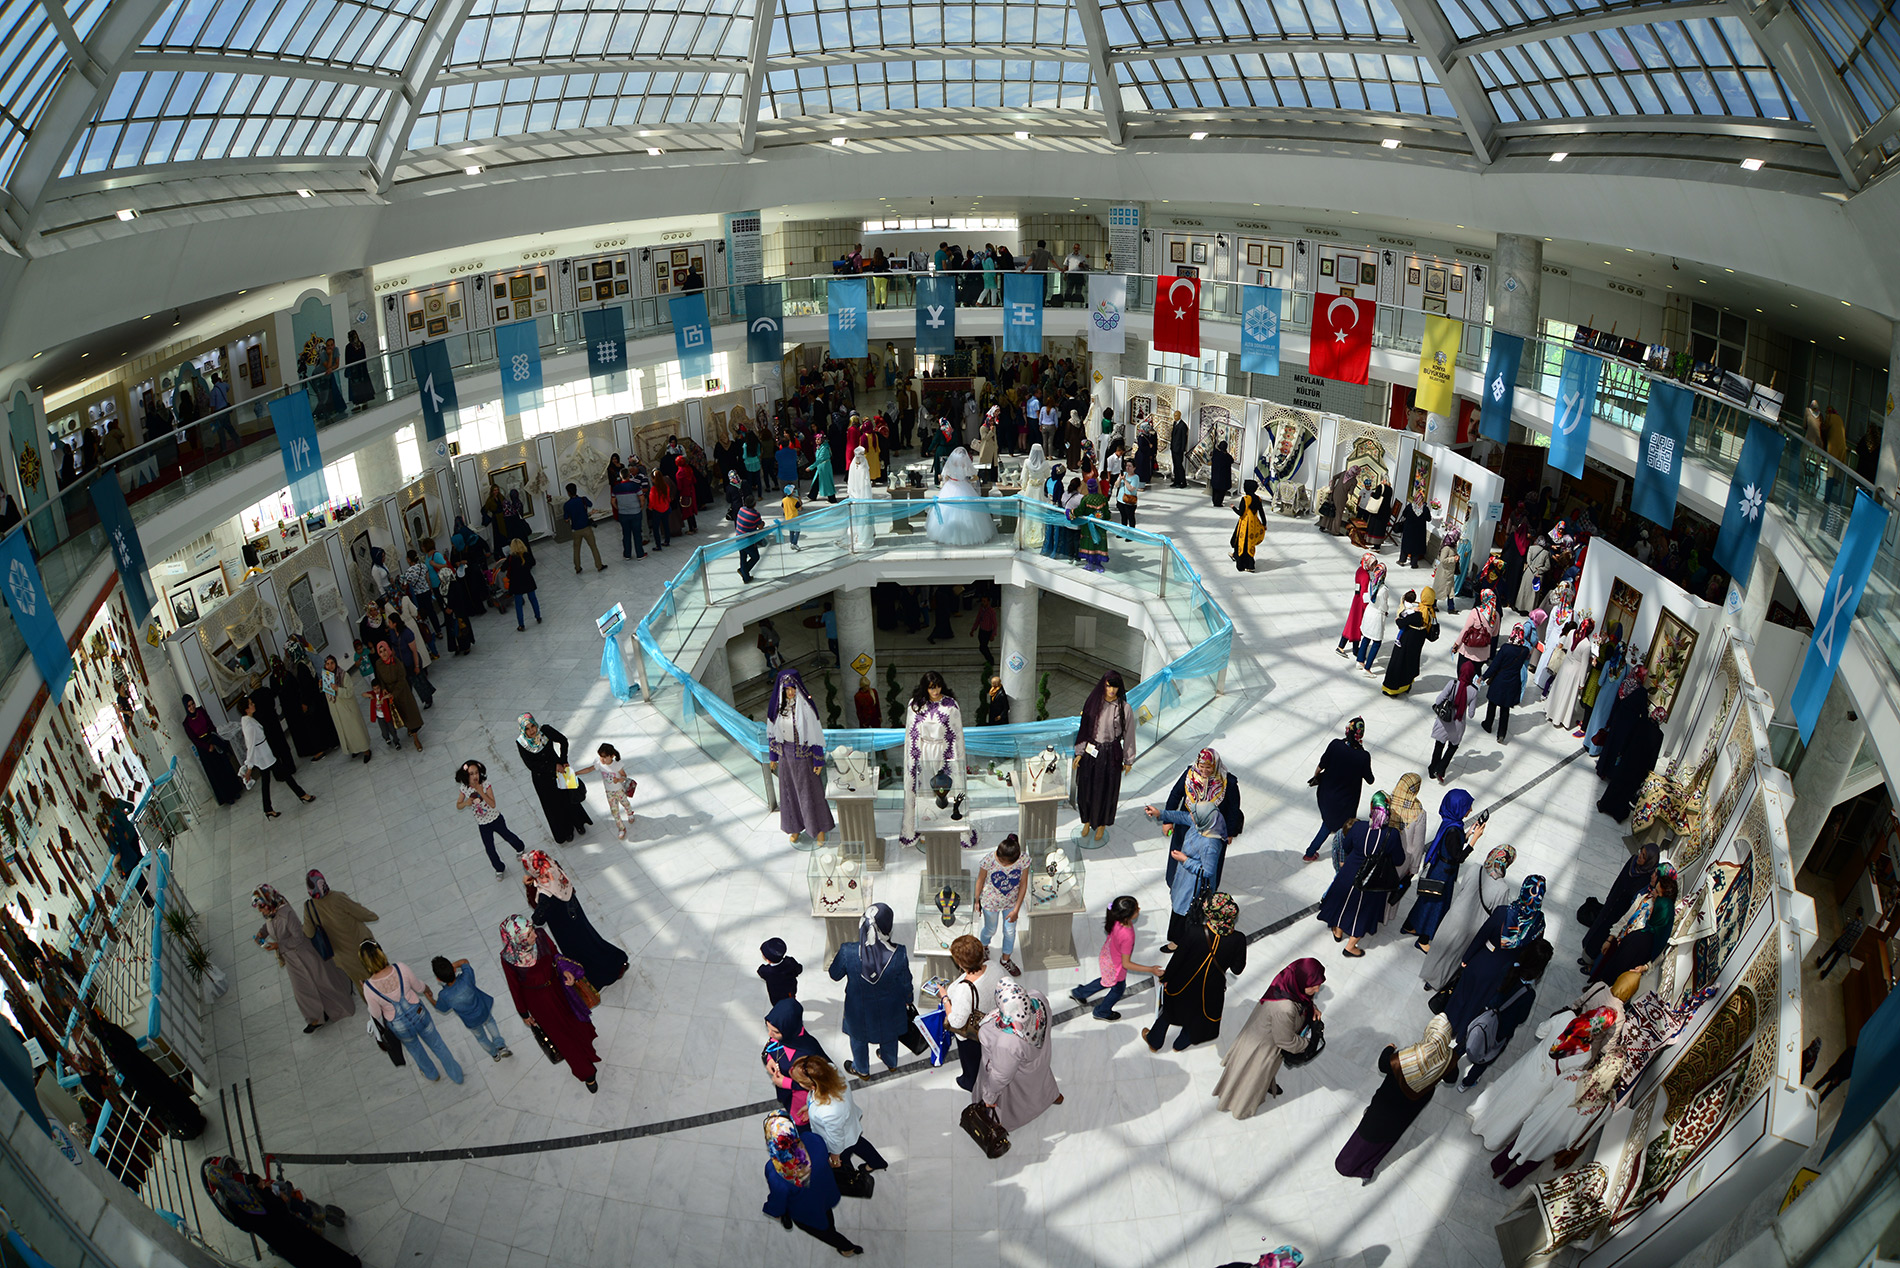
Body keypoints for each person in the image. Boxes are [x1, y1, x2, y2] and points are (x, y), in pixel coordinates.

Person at [1334, 1016, 1453, 1180]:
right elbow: (1452, 1079)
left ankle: (1347, 1164)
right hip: (1412, 1105)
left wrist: (1388, 1049)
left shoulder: (1405, 1057)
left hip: (1388, 1102)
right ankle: (1369, 1165)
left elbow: (1383, 1065)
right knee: (1390, 1134)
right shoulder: (1448, 1058)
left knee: (1370, 1131)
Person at [1443, 877, 1548, 1047]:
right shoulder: (1539, 924)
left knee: (1462, 995)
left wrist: (1466, 958)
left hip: (1483, 961)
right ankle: (1462, 1035)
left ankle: (1448, 1028)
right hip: (1506, 974)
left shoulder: (1503, 913)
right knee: (1478, 1004)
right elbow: (1532, 952)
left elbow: (1481, 936)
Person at [201, 1157, 361, 1268]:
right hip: (288, 1226)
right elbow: (278, 1206)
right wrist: (271, 1193)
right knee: (319, 1249)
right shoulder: (251, 1188)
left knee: (305, 1260)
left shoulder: (230, 1204)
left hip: (276, 1238)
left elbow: (244, 1226)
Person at [1214, 958, 1323, 1119]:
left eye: (1319, 983)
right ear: (1300, 981)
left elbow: (1302, 1001)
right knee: (1252, 1077)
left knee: (1257, 1074)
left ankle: (1265, 1085)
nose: (1317, 989)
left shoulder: (1287, 982)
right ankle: (1241, 1107)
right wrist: (1310, 1043)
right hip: (1262, 1048)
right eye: (1313, 985)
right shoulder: (1285, 1008)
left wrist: (1312, 1008)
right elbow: (1286, 1041)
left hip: (1260, 1034)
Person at [500, 915, 600, 1091]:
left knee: (575, 1020)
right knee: (562, 1036)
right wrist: (524, 1013)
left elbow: (555, 955)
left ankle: (587, 1048)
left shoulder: (541, 934)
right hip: (539, 1002)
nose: (534, 936)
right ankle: (586, 1073)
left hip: (558, 988)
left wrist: (566, 971)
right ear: (518, 939)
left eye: (532, 930)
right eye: (529, 934)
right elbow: (514, 987)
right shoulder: (509, 958)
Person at [82, 1005, 206, 1139]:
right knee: (169, 1092)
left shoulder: (106, 1042)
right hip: (145, 1067)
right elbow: (131, 1042)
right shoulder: (111, 1031)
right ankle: (193, 1119)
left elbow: (122, 1063)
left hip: (139, 1079)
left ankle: (188, 1124)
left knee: (164, 1101)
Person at [1146, 892, 1245, 1052]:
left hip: (1184, 983)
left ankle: (1154, 1041)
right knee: (1197, 1016)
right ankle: (1180, 1045)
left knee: (1169, 1011)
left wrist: (1166, 977)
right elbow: (1237, 969)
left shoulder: (1195, 931)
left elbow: (1177, 960)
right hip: (1212, 988)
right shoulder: (1238, 939)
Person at [1448, 940, 1550, 1093]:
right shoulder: (1528, 994)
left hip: (1484, 1015)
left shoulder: (1510, 967)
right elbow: (1521, 1019)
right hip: (1501, 1031)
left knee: (1467, 1039)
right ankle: (1467, 1083)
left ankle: (1448, 1065)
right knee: (1486, 1056)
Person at [253, 884, 355, 1033]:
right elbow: (270, 924)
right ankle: (316, 1018)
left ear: (269, 903)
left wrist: (278, 946)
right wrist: (262, 933)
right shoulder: (271, 913)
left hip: (305, 954)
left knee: (322, 981)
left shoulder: (286, 913)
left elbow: (299, 938)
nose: (261, 911)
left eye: (261, 907)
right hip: (292, 959)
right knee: (302, 989)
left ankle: (340, 1001)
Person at [759, 1112, 865, 1256]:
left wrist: (773, 1211)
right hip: (826, 1191)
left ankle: (847, 1247)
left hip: (806, 1210)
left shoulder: (774, 1170)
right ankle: (832, 1228)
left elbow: (779, 1199)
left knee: (823, 1230)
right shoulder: (812, 1140)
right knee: (827, 1213)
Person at [827, 902, 913, 1076]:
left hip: (858, 1010)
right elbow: (906, 982)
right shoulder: (900, 953)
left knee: (858, 1039)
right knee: (890, 1036)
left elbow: (834, 974)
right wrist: (908, 1000)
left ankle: (862, 1069)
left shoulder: (847, 951)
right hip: (890, 1009)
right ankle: (890, 1062)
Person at [360, 942, 464, 1084]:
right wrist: (427, 989)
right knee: (437, 1044)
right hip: (419, 1014)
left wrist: (368, 992)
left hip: (399, 1026)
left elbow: (376, 1014)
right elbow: (419, 987)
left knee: (415, 1050)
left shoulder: (368, 987)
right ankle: (456, 1075)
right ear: (381, 953)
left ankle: (432, 1075)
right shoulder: (400, 968)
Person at [524, 850, 627, 990]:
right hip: (574, 912)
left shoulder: (545, 892)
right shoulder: (553, 867)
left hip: (565, 927)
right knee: (592, 941)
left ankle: (598, 978)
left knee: (581, 953)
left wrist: (529, 887)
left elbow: (539, 918)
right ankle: (617, 962)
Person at [1317, 795, 1404, 956]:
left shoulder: (1358, 827)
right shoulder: (1391, 835)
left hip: (1348, 873)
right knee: (1362, 913)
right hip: (1371, 880)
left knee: (1342, 903)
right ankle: (1350, 947)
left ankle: (1337, 931)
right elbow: (1399, 859)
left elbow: (1346, 846)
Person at [898, 671, 972, 848]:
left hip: (943, 752)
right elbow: (910, 736)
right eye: (932, 687)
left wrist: (954, 759)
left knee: (945, 788)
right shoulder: (915, 705)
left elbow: (957, 735)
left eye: (938, 686)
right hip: (923, 754)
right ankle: (923, 827)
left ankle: (947, 823)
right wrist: (913, 759)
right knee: (923, 788)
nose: (936, 690)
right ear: (926, 687)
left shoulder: (950, 706)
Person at [1070, 895, 1164, 1021]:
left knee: (1105, 980)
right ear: (1127, 916)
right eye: (1136, 909)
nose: (1139, 909)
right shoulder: (1127, 935)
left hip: (1107, 956)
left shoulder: (1117, 919)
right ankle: (1102, 1011)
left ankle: (1080, 993)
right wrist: (1151, 969)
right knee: (1117, 990)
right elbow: (1126, 964)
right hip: (1115, 966)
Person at [769, 669, 835, 846]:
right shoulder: (777, 708)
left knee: (811, 794)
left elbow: (815, 735)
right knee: (789, 794)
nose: (790, 692)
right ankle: (795, 827)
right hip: (785, 757)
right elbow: (772, 734)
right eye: (787, 689)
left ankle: (819, 828)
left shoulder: (806, 708)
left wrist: (818, 759)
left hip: (803, 756)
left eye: (793, 688)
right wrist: (773, 756)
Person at [1586, 864, 1676, 987]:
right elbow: (1626, 918)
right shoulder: (1645, 898)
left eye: (1657, 892)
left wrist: (1645, 967)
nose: (1653, 892)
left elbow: (1659, 951)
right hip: (1620, 945)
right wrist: (1610, 939)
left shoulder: (1661, 920)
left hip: (1631, 961)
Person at [1073, 671, 1136, 841]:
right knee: (1086, 787)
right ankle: (1087, 820)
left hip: (1110, 753)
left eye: (1115, 686)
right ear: (1103, 685)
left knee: (1106, 790)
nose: (1111, 690)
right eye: (1108, 685)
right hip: (1091, 751)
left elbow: (1129, 735)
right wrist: (1079, 752)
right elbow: (1084, 729)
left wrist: (1128, 759)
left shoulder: (1125, 709)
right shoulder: (1093, 703)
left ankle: (1101, 823)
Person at [1303, 717, 1373, 862]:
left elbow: (1320, 766)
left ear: (1348, 730)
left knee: (1328, 824)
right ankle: (1348, 854)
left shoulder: (1335, 745)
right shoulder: (1363, 756)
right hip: (1346, 802)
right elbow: (1370, 779)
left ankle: (1310, 853)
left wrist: (1316, 777)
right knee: (1345, 827)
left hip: (1326, 796)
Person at [1579, 843, 1661, 966]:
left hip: (1621, 911)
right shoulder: (1632, 861)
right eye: (1641, 852)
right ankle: (1586, 954)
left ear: (1649, 861)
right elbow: (1619, 880)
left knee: (1606, 934)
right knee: (1598, 926)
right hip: (1613, 901)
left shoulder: (1647, 878)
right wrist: (1610, 897)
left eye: (1644, 856)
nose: (1640, 857)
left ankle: (1592, 962)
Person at [515, 713, 592, 843]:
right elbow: (531, 765)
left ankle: (579, 824)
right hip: (543, 780)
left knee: (569, 798)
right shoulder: (522, 743)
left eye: (532, 726)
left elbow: (563, 740)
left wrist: (563, 760)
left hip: (560, 773)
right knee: (554, 807)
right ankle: (566, 831)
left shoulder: (545, 731)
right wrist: (553, 766)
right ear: (523, 730)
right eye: (527, 729)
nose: (532, 731)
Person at [238, 692, 315, 819]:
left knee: (266, 781)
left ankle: (268, 808)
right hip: (265, 757)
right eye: (251, 704)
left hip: (265, 755)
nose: (253, 705)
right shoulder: (249, 726)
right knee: (286, 775)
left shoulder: (248, 720)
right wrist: (249, 767)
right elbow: (250, 747)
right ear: (246, 709)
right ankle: (302, 795)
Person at [300, 870, 379, 989]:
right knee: (380, 975)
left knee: (364, 985)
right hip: (363, 946)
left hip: (344, 957)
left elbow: (308, 933)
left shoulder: (309, 907)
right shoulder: (337, 897)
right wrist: (373, 916)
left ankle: (375, 1006)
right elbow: (361, 913)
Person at [944, 933, 999, 1093]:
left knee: (971, 1063)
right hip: (991, 1022)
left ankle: (970, 1082)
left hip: (971, 1034)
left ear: (960, 963)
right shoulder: (994, 967)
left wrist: (945, 999)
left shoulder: (964, 990)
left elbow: (956, 1022)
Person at [429, 955, 512, 1060]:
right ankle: (501, 1046)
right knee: (490, 1022)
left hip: (471, 1022)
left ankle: (494, 1054)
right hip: (483, 1010)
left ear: (438, 979)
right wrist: (451, 966)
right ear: (454, 969)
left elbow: (441, 1008)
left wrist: (430, 998)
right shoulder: (466, 978)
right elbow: (464, 961)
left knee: (481, 1038)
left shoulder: (444, 995)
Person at [1598, 705, 1667, 821]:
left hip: (1628, 758)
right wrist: (1649, 771)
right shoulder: (1659, 735)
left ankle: (1604, 805)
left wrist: (1621, 752)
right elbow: (1653, 756)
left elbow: (1628, 738)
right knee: (1628, 789)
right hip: (1640, 766)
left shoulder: (1640, 722)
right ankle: (1618, 813)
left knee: (1616, 782)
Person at [925, 447, 996, 545]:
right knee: (969, 511)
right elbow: (975, 476)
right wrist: (969, 481)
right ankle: (969, 534)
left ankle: (946, 534)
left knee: (947, 510)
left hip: (950, 486)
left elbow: (944, 476)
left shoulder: (949, 466)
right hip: (964, 486)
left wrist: (946, 482)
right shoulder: (965, 466)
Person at [181, 695, 243, 805]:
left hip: (212, 739)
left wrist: (214, 739)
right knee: (217, 773)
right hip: (204, 749)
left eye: (192, 704)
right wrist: (207, 746)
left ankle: (235, 790)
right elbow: (194, 740)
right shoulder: (186, 723)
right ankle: (228, 796)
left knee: (225, 767)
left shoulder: (200, 711)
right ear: (186, 707)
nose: (192, 707)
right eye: (189, 706)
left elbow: (210, 724)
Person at [1481, 620, 1535, 742]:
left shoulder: (1505, 648)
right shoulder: (1524, 651)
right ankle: (1501, 734)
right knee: (1505, 710)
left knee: (1492, 703)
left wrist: (1484, 676)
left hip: (1500, 680)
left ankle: (1488, 724)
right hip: (1512, 682)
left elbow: (1495, 665)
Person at [369, 641, 425, 752]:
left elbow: (401, 679)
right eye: (381, 652)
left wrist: (393, 693)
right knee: (399, 714)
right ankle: (408, 728)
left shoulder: (396, 662)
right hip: (389, 693)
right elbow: (379, 678)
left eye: (385, 650)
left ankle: (415, 738)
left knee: (409, 713)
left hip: (402, 691)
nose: (384, 653)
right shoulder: (379, 664)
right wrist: (384, 689)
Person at [1381, 588, 1438, 696]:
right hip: (1419, 640)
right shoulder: (1431, 612)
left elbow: (1401, 623)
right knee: (1411, 662)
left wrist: (1398, 619)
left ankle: (1392, 689)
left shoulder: (1418, 612)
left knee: (1399, 661)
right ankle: (1407, 684)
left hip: (1407, 639)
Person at [1543, 618, 1595, 731]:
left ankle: (1551, 712)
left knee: (1559, 690)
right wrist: (1582, 682)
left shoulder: (1571, 632)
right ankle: (1559, 718)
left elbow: (1566, 647)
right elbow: (1584, 665)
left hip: (1565, 665)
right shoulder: (1586, 645)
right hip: (1575, 671)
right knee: (1567, 695)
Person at [318, 655, 372, 764]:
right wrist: (321, 686)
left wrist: (337, 689)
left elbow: (349, 692)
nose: (330, 666)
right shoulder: (326, 677)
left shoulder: (343, 675)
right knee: (346, 732)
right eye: (327, 664)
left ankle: (366, 750)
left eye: (332, 663)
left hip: (348, 708)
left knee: (356, 729)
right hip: (337, 710)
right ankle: (355, 749)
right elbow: (327, 694)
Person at [1427, 674, 1477, 784]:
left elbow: (1438, 700)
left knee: (1439, 745)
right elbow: (1471, 714)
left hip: (1444, 722)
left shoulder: (1452, 683)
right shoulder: (1473, 691)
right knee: (1453, 746)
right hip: (1458, 724)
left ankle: (1432, 770)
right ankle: (1441, 769)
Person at [1335, 553, 1380, 656]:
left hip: (1356, 600)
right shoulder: (1365, 575)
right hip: (1360, 603)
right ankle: (1355, 650)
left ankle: (1342, 646)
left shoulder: (1360, 571)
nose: (1374, 567)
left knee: (1352, 624)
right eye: (1372, 564)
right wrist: (1367, 607)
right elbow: (1364, 593)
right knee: (1357, 626)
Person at [561, 483, 606, 573]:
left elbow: (566, 519)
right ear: (576, 490)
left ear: (568, 493)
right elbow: (590, 504)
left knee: (576, 549)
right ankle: (599, 565)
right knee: (593, 547)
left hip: (575, 530)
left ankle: (578, 568)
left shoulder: (567, 505)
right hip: (586, 528)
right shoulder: (583, 500)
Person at [1817, 907, 1866, 978]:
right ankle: (1825, 974)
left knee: (1829, 952)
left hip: (1841, 941)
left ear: (1857, 913)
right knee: (1835, 960)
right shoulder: (1861, 928)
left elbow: (1843, 931)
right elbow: (1855, 939)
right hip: (1845, 946)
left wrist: (1846, 924)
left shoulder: (1852, 923)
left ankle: (1820, 963)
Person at [1230, 479, 1267, 571]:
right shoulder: (1258, 499)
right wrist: (1264, 524)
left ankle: (1241, 563)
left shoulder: (1245, 499)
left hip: (1244, 525)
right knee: (1249, 544)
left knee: (1241, 542)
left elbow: (1241, 513)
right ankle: (1249, 565)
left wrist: (1233, 508)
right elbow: (1261, 512)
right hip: (1253, 524)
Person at [504, 539, 541, 630]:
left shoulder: (511, 558)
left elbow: (503, 568)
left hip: (517, 583)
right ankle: (538, 616)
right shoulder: (527, 555)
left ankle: (521, 624)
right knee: (533, 599)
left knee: (518, 605)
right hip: (528, 580)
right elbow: (533, 563)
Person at [758, 937, 802, 1005]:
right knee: (791, 999)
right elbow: (799, 969)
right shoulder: (790, 962)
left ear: (768, 960)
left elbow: (760, 971)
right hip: (790, 991)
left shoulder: (766, 971)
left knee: (779, 1007)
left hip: (776, 997)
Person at [1394, 492, 1430, 567]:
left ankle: (1402, 560)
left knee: (1406, 545)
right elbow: (1428, 519)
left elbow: (1404, 514)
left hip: (1409, 530)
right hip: (1419, 532)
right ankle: (1414, 563)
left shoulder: (1410, 506)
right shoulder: (1425, 509)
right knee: (1416, 546)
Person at [735, 501, 766, 582]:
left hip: (739, 537)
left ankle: (746, 578)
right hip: (748, 540)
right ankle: (743, 571)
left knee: (743, 557)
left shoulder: (741, 509)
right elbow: (760, 527)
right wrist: (762, 523)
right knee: (755, 557)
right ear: (754, 504)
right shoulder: (755, 514)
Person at [1209, 439, 1234, 506]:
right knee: (1221, 491)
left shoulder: (1215, 453)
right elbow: (1231, 460)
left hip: (1215, 475)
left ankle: (1214, 501)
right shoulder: (1226, 456)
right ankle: (1218, 503)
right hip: (1223, 477)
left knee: (1215, 490)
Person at [1169, 411, 1189, 487]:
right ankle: (1176, 481)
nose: (1175, 417)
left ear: (1180, 416)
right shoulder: (1175, 423)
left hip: (1178, 449)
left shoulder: (1183, 426)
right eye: (1174, 415)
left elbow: (1184, 439)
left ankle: (1183, 482)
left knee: (1179, 466)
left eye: (1176, 415)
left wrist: (1182, 449)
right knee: (1175, 465)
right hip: (1173, 448)